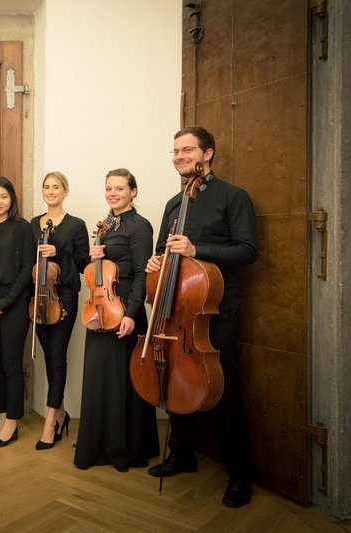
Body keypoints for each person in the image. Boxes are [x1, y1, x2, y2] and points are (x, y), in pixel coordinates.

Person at [145, 126, 257, 508]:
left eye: (187, 150)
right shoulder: (175, 204)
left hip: (216, 310)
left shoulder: (232, 197)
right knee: (177, 379)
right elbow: (164, 249)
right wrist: (156, 260)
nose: (179, 156)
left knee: (221, 388)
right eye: (175, 150)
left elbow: (247, 250)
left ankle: (240, 475)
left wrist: (198, 248)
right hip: (178, 308)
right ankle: (181, 455)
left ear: (207, 154)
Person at [74, 168, 159, 471]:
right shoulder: (104, 224)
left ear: (133, 192)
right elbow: (94, 272)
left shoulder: (140, 227)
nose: (112, 194)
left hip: (124, 312)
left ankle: (125, 448)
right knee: (100, 380)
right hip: (100, 309)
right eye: (109, 188)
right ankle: (97, 445)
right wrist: (93, 257)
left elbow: (140, 275)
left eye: (120, 189)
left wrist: (133, 314)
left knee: (124, 381)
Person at [30, 171, 89, 450]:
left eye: (56, 187)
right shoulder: (33, 224)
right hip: (38, 297)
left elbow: (82, 263)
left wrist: (57, 253)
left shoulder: (76, 225)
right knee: (48, 358)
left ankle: (49, 422)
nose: (51, 191)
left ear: (66, 191)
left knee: (56, 356)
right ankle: (62, 413)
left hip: (63, 295)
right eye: (46, 187)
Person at [0, 177, 35, 448]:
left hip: (13, 303)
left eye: (3, 196)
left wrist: (6, 301)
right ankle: (1, 417)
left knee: (11, 364)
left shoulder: (23, 229)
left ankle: (12, 421)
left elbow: (27, 269)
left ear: (11, 199)